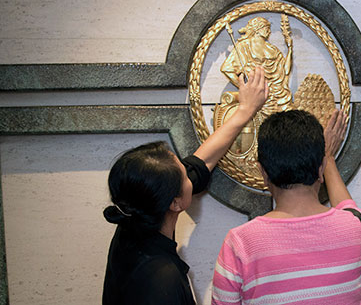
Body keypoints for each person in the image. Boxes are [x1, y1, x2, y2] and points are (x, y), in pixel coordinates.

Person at [102, 66, 268, 305]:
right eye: (184, 176)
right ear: (175, 202)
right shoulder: (161, 281)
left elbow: (201, 162)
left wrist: (245, 110)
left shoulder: (134, 217)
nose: (190, 174)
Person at [212, 109, 361, 304]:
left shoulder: (240, 243)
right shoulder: (357, 228)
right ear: (320, 168)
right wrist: (327, 158)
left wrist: (324, 159)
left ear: (263, 172)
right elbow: (347, 208)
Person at [220, 16, 293, 116]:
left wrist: (290, 50)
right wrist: (243, 87)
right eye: (266, 28)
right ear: (258, 29)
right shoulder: (244, 46)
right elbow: (227, 69)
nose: (269, 31)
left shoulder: (273, 49)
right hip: (258, 100)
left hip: (278, 97)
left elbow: (285, 71)